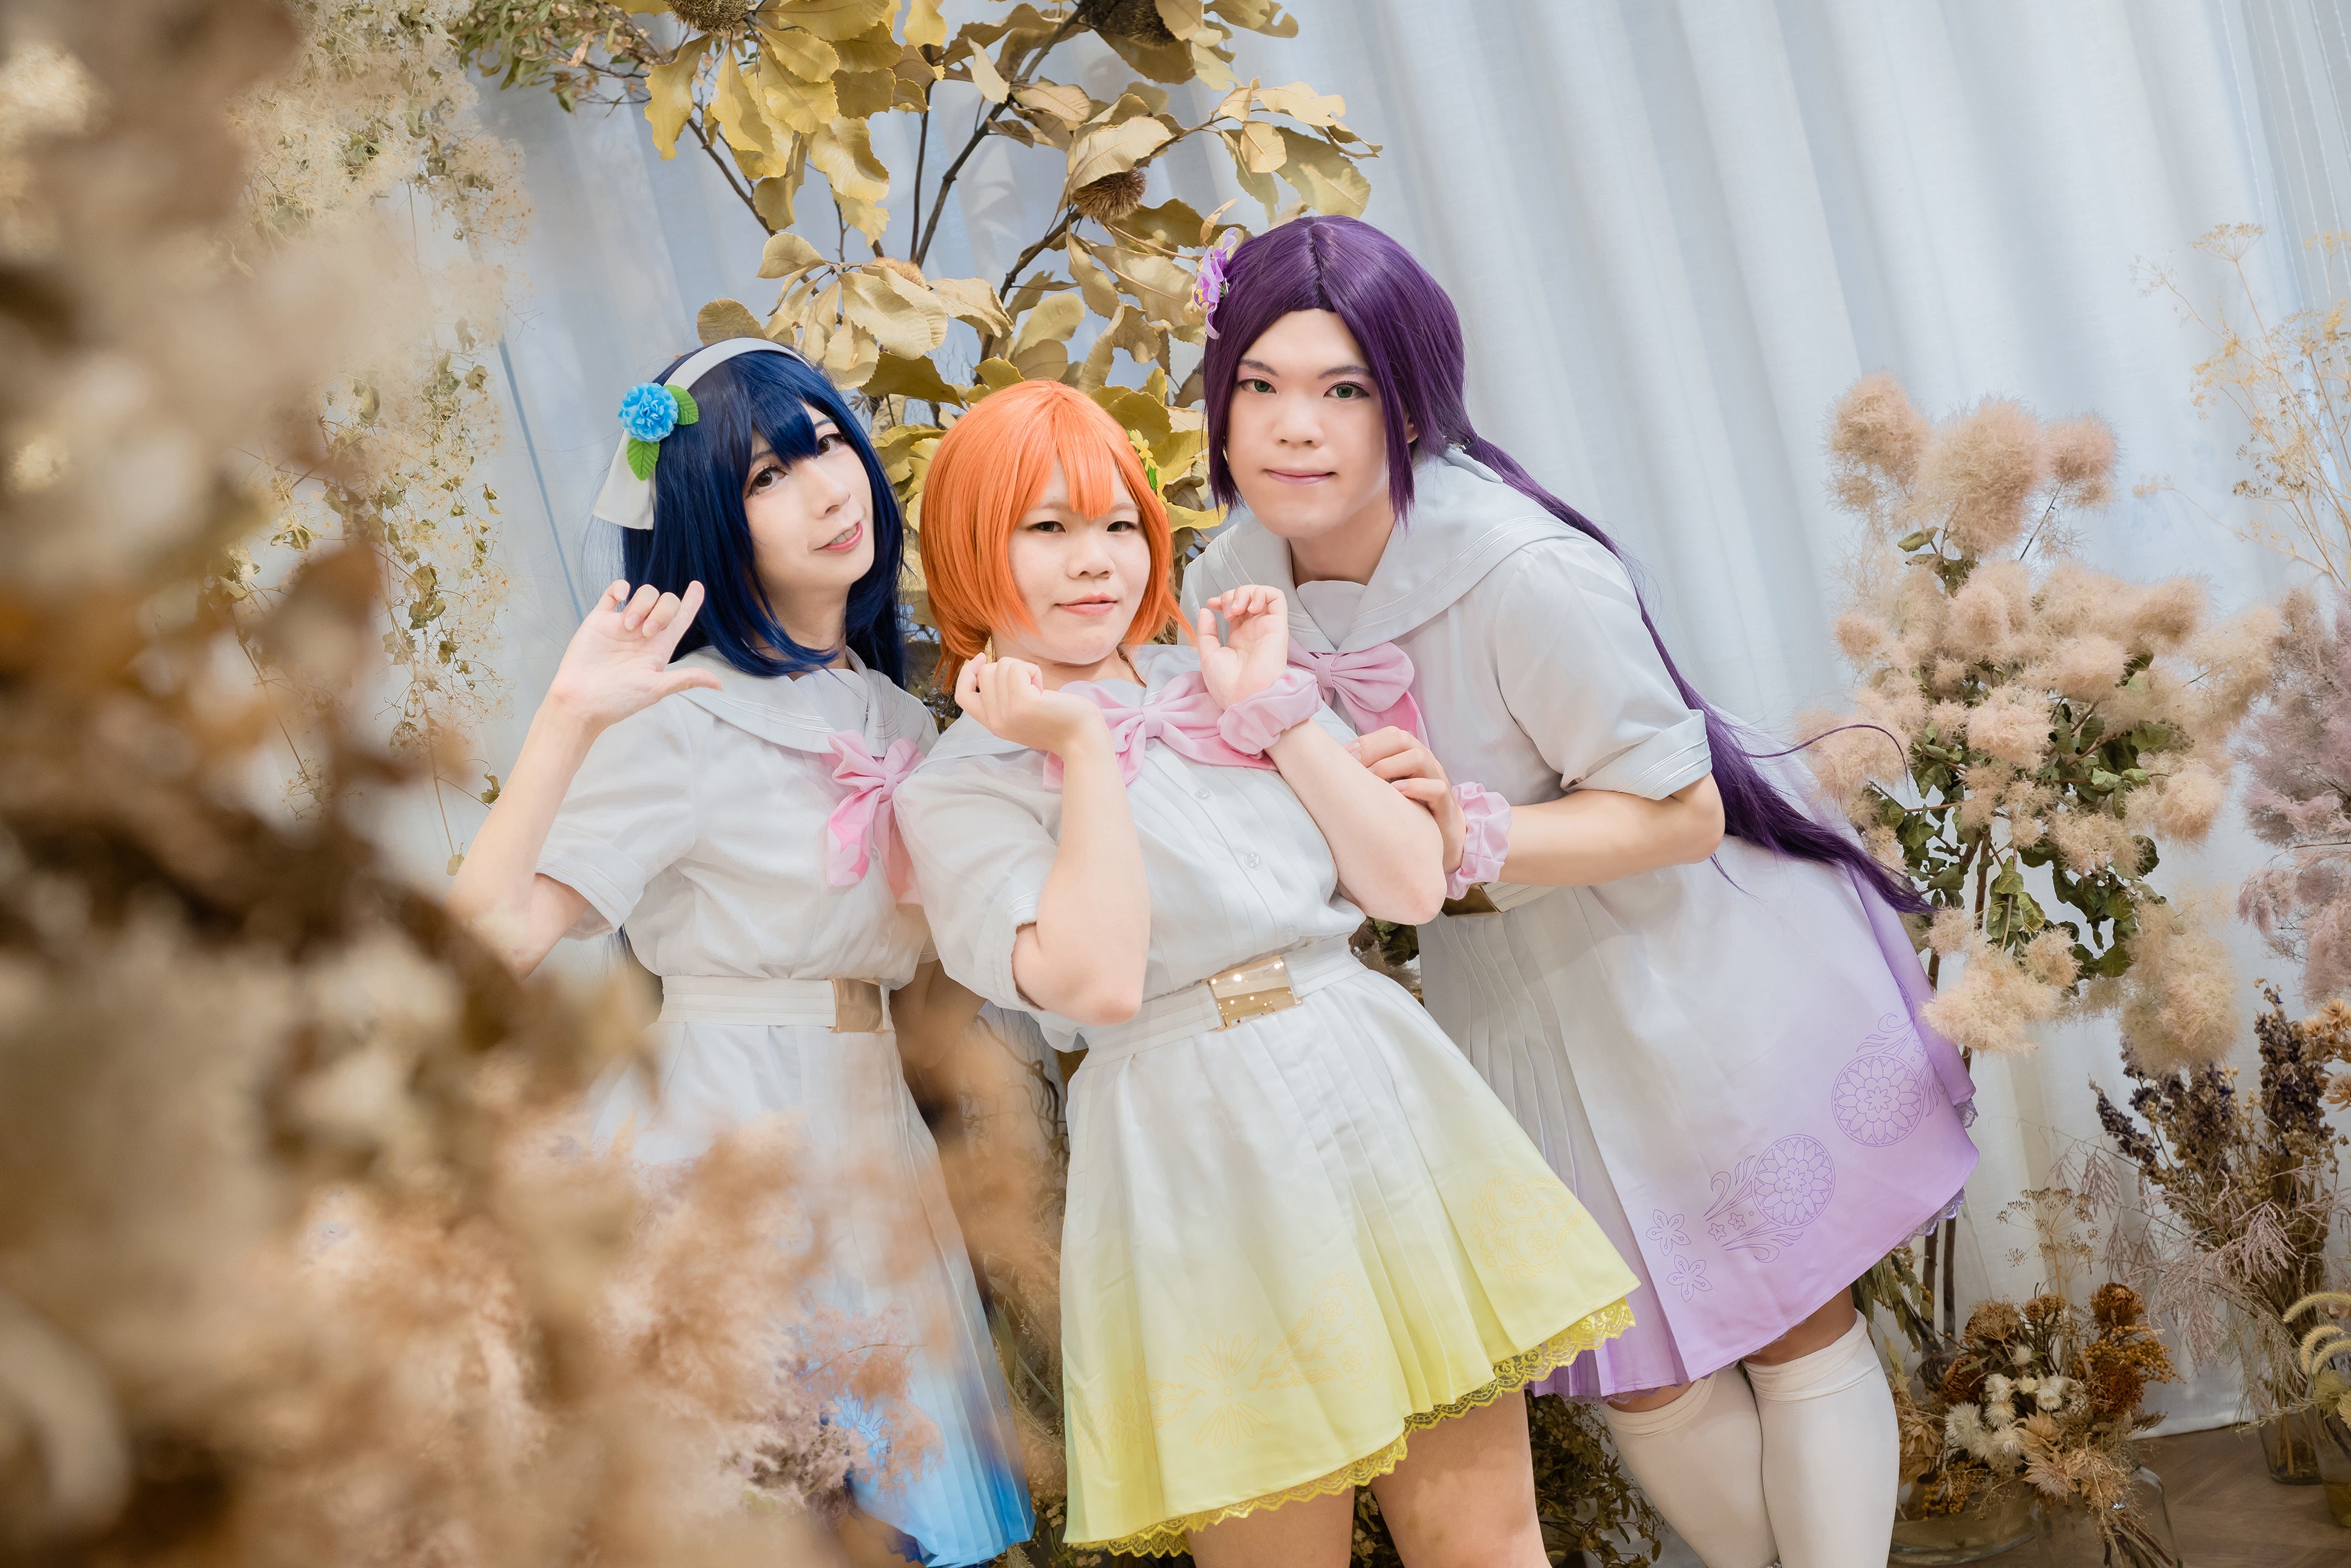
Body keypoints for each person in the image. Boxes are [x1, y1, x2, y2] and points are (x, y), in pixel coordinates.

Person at [1181, 216, 1980, 1568]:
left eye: (1343, 389)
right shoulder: (1223, 590)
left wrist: (1476, 831)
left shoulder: (1521, 567)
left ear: (1409, 405)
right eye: (1258, 384)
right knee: (1636, 1368)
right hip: (1503, 999)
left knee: (1788, 1317)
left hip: (1675, 960)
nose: (1293, 427)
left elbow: (1684, 809)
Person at [892, 378, 1640, 1568]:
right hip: (1192, 1142)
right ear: (973, 544)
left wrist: (1276, 713)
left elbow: (1408, 882)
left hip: (1368, 1077)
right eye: (1048, 527)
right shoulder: (959, 786)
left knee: (1489, 1541)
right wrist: (1081, 748)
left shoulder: (1220, 676)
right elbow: (1099, 982)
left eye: (1119, 523)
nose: (1095, 560)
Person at [446, 339, 1032, 1567]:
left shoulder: (899, 714)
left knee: (895, 1513)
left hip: (867, 1129)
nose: (824, 488)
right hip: (727, 1135)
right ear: (715, 519)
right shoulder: (686, 712)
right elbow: (487, 945)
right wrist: (569, 716)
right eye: (768, 475)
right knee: (783, 1513)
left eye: (825, 445)